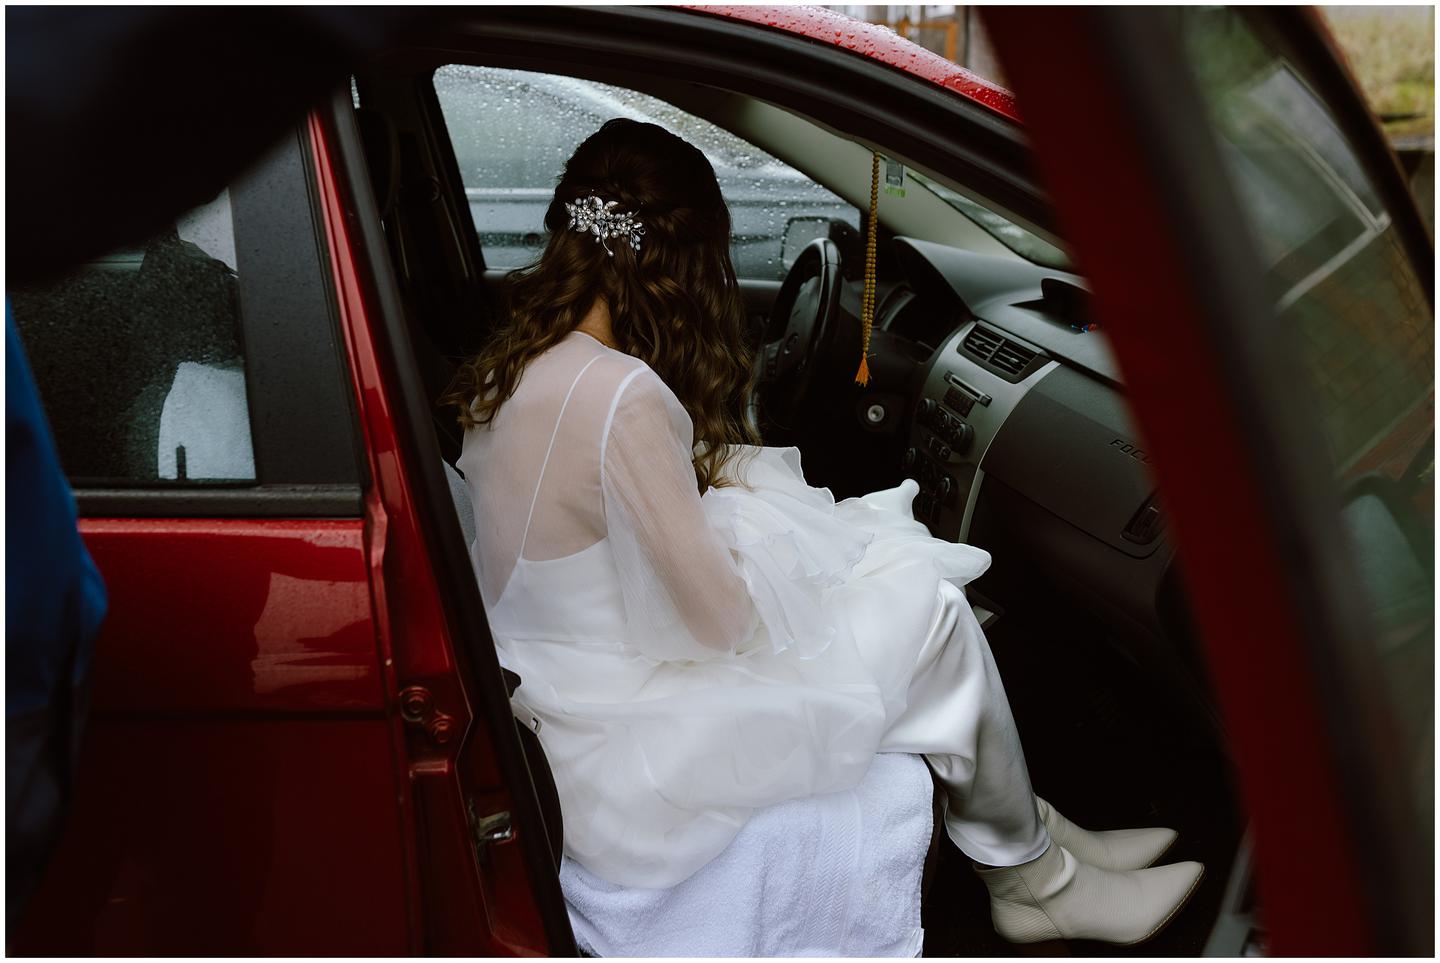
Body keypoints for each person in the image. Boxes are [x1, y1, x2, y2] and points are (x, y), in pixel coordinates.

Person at [447, 117, 1204, 947]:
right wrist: (768, 552)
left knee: (882, 572)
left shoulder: (512, 363)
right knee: (934, 607)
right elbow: (719, 623)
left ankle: (1047, 841)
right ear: (688, 263)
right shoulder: (621, 395)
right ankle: (1034, 879)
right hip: (629, 747)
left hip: (563, 701)